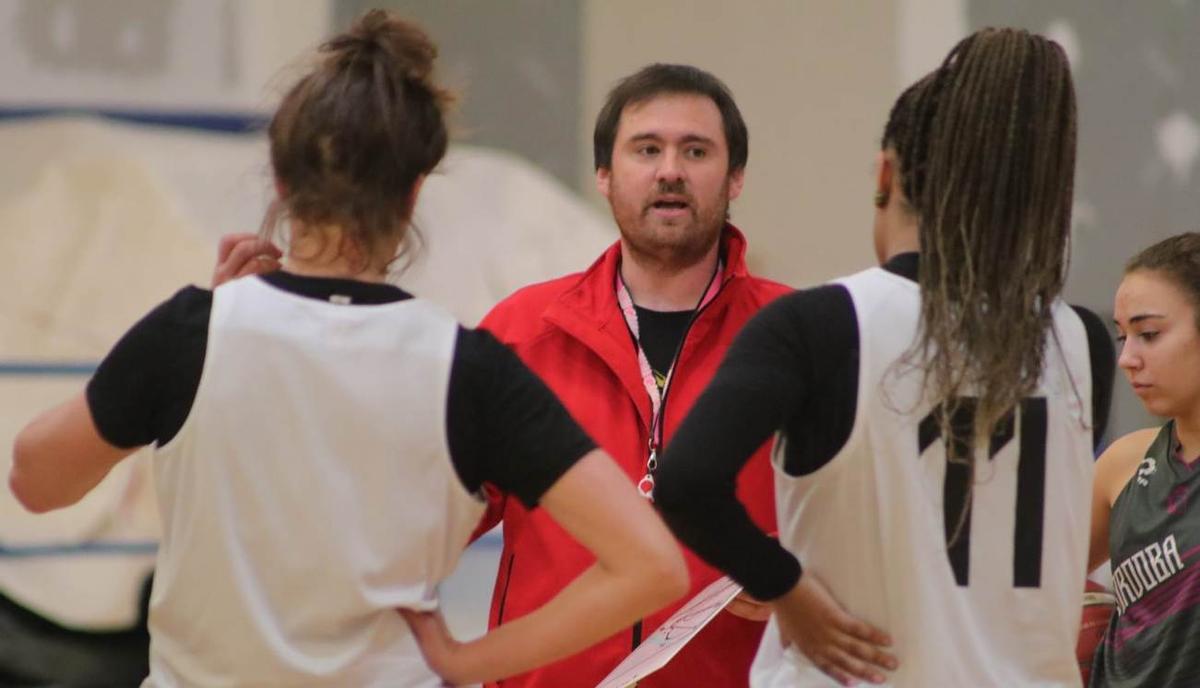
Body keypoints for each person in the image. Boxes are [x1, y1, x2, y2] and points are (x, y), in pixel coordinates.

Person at [8, 11, 687, 687]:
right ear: (415, 192)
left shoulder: (192, 334)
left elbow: (36, 482)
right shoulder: (467, 370)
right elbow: (651, 564)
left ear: (281, 182)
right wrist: (469, 660)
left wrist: (197, 336)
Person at [655, 27, 1115, 687]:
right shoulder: (1084, 342)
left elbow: (687, 483)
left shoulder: (820, 324)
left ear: (885, 176)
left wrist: (786, 587)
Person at [467, 63, 792, 688]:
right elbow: (428, 522)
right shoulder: (520, 332)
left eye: (695, 151)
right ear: (605, 175)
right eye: (647, 149)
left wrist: (809, 576)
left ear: (736, 177)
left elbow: (867, 533)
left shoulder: (797, 338)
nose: (670, 170)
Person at [1088, 233, 1200, 687]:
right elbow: (1027, 584)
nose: (1126, 359)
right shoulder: (1124, 462)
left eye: (1148, 334)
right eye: (1122, 336)